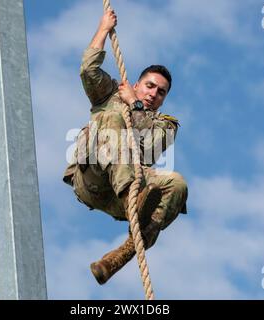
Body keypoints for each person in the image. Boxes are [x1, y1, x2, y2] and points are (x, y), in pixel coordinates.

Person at [63, 9, 188, 285]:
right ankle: (131, 201)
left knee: (177, 184)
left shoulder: (166, 124)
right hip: (93, 178)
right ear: (135, 84)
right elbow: (88, 70)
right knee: (112, 118)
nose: (153, 94)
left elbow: (151, 147)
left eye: (161, 92)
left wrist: (136, 104)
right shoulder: (111, 94)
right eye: (149, 86)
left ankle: (124, 252)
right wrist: (103, 29)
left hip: (132, 187)